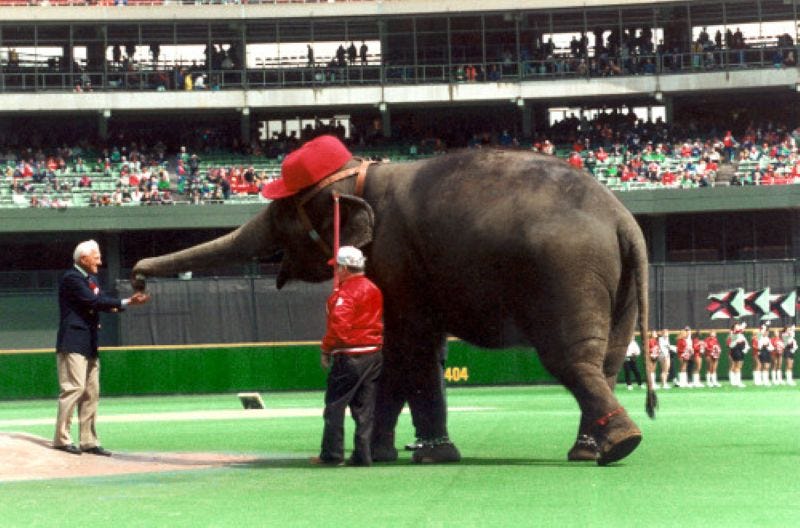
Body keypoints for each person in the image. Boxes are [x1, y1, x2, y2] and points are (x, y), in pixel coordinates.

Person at [53, 240, 150, 456]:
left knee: (91, 393)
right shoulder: (72, 278)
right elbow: (92, 301)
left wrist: (122, 304)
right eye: (96, 257)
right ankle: (61, 439)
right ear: (83, 259)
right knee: (74, 389)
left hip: (89, 343)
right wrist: (125, 302)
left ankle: (88, 441)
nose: (99, 261)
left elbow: (100, 300)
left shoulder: (91, 279)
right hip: (73, 341)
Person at [311, 246, 383, 467]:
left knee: (335, 405)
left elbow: (339, 327)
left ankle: (332, 455)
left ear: (343, 268)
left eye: (337, 267)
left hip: (351, 356)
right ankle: (363, 455)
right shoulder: (373, 288)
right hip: (374, 354)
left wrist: (326, 350)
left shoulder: (344, 294)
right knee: (365, 408)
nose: (335, 271)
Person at [727, 322, 748, 387]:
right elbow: (737, 332)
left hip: (741, 350)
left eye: (738, 325)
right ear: (733, 328)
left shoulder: (741, 334)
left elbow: (744, 341)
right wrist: (742, 326)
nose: (738, 327)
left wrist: (745, 348)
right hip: (735, 350)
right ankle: (737, 382)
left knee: (739, 365)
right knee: (736, 365)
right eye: (736, 326)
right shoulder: (732, 333)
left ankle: (736, 381)